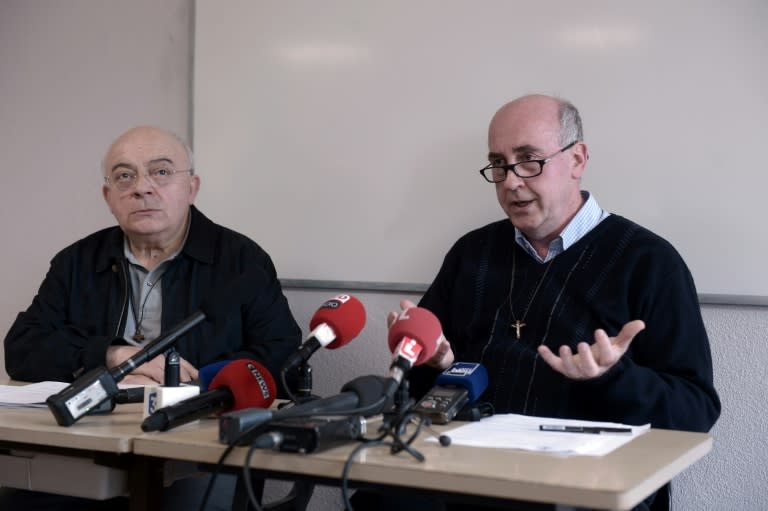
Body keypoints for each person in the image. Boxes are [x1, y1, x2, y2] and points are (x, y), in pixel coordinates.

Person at [354, 94, 721, 511]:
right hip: (464, 476)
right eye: (498, 164)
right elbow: (416, 397)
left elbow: (696, 411)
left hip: (580, 490)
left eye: (529, 160)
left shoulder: (649, 262)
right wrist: (433, 363)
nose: (511, 181)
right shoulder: (471, 254)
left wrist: (613, 377)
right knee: (375, 498)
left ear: (577, 159)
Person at [2, 126, 302, 510]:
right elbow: (23, 346)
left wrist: (194, 387)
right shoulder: (77, 262)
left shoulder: (240, 260)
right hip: (92, 446)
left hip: (197, 447)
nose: (141, 188)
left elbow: (281, 359)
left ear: (191, 188)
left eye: (160, 172)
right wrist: (112, 357)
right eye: (125, 176)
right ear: (108, 197)